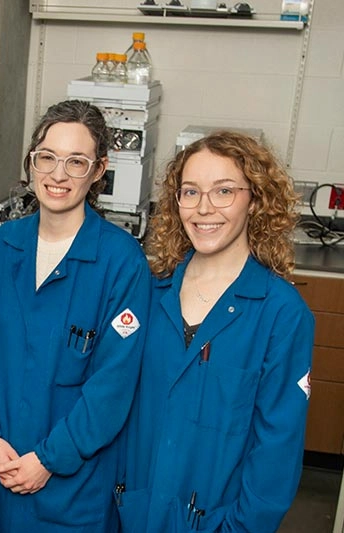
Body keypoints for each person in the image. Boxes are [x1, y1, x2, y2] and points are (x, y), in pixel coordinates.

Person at [0, 99, 151, 532]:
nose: (58, 175)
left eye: (76, 162)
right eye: (47, 157)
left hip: (69, 491)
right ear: (31, 161)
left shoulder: (121, 263)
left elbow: (113, 385)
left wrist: (50, 458)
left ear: (98, 171)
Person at [118, 131, 314, 532]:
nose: (203, 208)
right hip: (131, 514)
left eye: (224, 191)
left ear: (254, 200)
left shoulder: (281, 314)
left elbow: (277, 451)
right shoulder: (149, 293)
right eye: (191, 192)